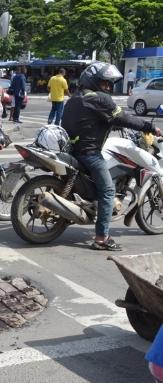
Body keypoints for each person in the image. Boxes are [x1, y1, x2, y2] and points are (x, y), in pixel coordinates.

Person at [61, 62, 162, 251]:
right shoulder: (101, 100)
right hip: (89, 153)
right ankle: (102, 238)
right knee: (107, 191)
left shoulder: (75, 99)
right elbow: (125, 118)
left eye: (108, 84)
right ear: (95, 82)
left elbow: (90, 121)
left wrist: (110, 124)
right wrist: (150, 127)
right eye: (105, 83)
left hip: (70, 150)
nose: (107, 87)